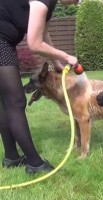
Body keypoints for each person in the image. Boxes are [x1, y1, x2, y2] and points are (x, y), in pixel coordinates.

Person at [0, 0, 79, 174]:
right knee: (16, 102)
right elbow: (34, 43)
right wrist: (66, 56)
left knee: (6, 103)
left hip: (5, 43)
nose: (79, 2)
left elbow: (43, 34)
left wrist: (55, 61)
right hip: (1, 43)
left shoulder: (50, 4)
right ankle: (35, 164)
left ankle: (12, 157)